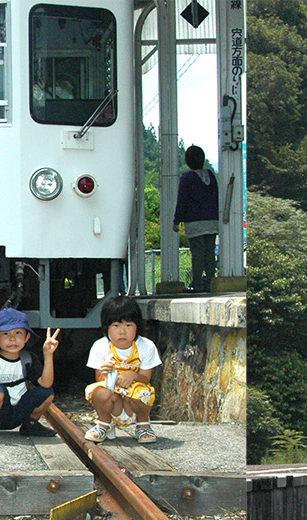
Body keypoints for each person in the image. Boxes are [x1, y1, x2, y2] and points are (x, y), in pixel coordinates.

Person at [0, 308, 60, 440]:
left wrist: (48, 355)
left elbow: (46, 383)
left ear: (27, 337)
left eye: (18, 332)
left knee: (47, 393)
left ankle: (30, 424)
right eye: (5, 333)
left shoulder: (28, 358)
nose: (12, 338)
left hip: (19, 412)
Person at [84, 295, 162, 444]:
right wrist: (105, 371)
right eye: (116, 326)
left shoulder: (146, 346)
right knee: (98, 392)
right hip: (114, 400)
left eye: (128, 325)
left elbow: (146, 378)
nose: (122, 332)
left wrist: (133, 375)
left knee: (143, 392)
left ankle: (143, 424)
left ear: (137, 326)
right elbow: (99, 379)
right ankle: (105, 424)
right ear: (106, 327)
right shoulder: (100, 346)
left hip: (132, 401)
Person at [173, 145, 219, 292]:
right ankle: (211, 282)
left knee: (198, 254)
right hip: (212, 220)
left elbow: (182, 200)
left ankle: (198, 283)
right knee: (209, 252)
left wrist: (176, 220)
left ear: (187, 160)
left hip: (194, 221)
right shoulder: (210, 175)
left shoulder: (187, 178)